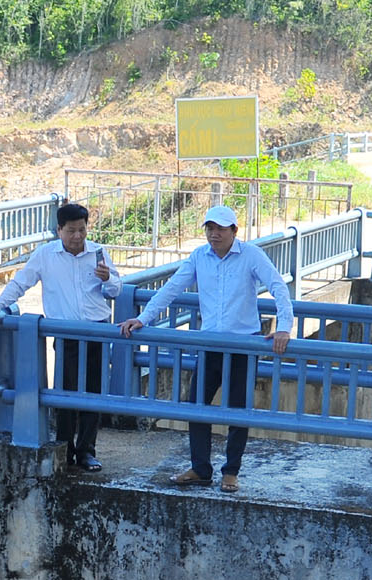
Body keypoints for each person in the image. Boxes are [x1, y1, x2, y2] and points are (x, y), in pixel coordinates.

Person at [117, 204, 292, 494]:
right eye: (210, 228)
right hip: (209, 343)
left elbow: (278, 287)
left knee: (238, 410)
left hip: (242, 344)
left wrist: (284, 327)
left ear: (235, 231)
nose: (214, 234)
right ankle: (200, 468)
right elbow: (172, 288)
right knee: (195, 405)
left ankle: (231, 472)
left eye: (220, 228)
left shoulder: (251, 255)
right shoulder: (200, 256)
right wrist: (143, 318)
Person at [0, 202, 120, 471]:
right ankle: (64, 448)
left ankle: (87, 450)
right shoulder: (45, 255)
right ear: (59, 229)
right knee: (64, 392)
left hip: (97, 330)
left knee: (94, 393)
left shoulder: (98, 252)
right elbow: (19, 284)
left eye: (82, 230)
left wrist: (108, 278)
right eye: (71, 230)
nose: (77, 237)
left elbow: (115, 291)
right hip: (66, 334)